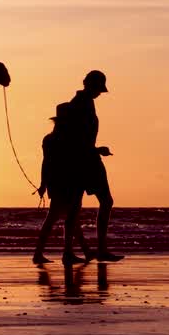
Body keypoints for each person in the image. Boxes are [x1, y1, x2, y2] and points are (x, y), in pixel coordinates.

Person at [35, 70, 123, 263]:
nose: (98, 92)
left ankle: (75, 252)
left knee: (75, 207)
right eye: (97, 88)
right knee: (98, 203)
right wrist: (97, 150)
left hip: (83, 160)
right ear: (88, 85)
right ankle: (93, 250)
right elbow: (76, 142)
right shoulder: (79, 106)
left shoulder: (82, 104)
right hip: (85, 161)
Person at [33, 108, 93, 264]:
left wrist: (43, 184)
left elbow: (45, 163)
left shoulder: (48, 140)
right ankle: (66, 253)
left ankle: (85, 251)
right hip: (70, 182)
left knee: (68, 218)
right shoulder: (71, 139)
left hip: (55, 183)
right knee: (66, 218)